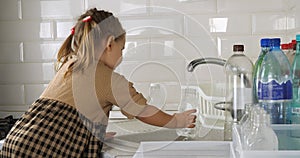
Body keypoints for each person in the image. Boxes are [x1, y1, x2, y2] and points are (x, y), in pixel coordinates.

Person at [0, 8, 196, 157]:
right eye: (122, 49)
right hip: (42, 151)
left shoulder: (70, 65)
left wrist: (91, 135)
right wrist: (176, 120)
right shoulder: (108, 79)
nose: (121, 56)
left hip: (18, 143)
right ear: (110, 44)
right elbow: (143, 111)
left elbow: (64, 117)